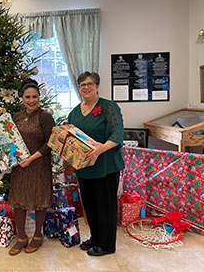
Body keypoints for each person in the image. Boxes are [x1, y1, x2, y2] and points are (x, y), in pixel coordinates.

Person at [67, 71, 125, 256]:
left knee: (105, 207)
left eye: (90, 84)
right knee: (90, 206)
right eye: (83, 84)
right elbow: (71, 139)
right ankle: (95, 237)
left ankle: (107, 245)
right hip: (84, 168)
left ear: (97, 86)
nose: (86, 87)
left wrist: (100, 149)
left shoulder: (109, 107)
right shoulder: (74, 112)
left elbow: (117, 135)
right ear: (79, 87)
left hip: (106, 166)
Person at [8, 78, 56, 255]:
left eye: (34, 96)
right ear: (22, 98)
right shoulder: (16, 117)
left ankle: (37, 236)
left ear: (39, 97)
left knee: (39, 200)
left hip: (39, 164)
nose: (31, 100)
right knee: (18, 201)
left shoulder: (45, 117)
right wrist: (9, 156)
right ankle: (21, 237)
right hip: (20, 166)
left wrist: (31, 158)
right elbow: (11, 140)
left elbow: (51, 143)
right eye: (27, 97)